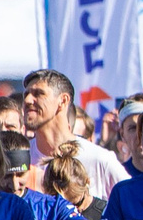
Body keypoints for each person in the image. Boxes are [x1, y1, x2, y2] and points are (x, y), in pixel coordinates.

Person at [22, 68, 130, 197]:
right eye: (26, 94)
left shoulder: (99, 160)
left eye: (38, 94)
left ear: (63, 101)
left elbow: (134, 205)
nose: (27, 100)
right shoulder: (20, 160)